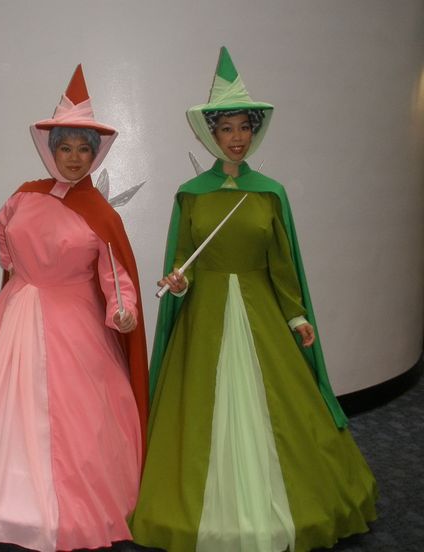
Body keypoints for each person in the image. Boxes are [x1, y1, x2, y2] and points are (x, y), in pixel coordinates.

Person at [130, 47, 377, 552]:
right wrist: (179, 282)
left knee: (288, 412)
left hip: (263, 314)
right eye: (228, 129)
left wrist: (296, 313)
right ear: (211, 134)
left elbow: (283, 266)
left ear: (254, 132)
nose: (237, 138)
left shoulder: (270, 194)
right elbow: (184, 263)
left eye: (245, 128)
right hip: (205, 320)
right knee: (199, 415)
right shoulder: (190, 195)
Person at [0, 65, 154, 552]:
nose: (76, 158)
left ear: (95, 153)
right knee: (4, 409)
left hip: (74, 324)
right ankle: (0, 505)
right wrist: (24, 276)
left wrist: (124, 314)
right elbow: (4, 242)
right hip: (16, 314)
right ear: (51, 149)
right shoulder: (23, 196)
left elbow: (114, 275)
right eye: (67, 147)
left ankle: (69, 510)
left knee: (72, 421)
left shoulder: (102, 213)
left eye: (85, 149)